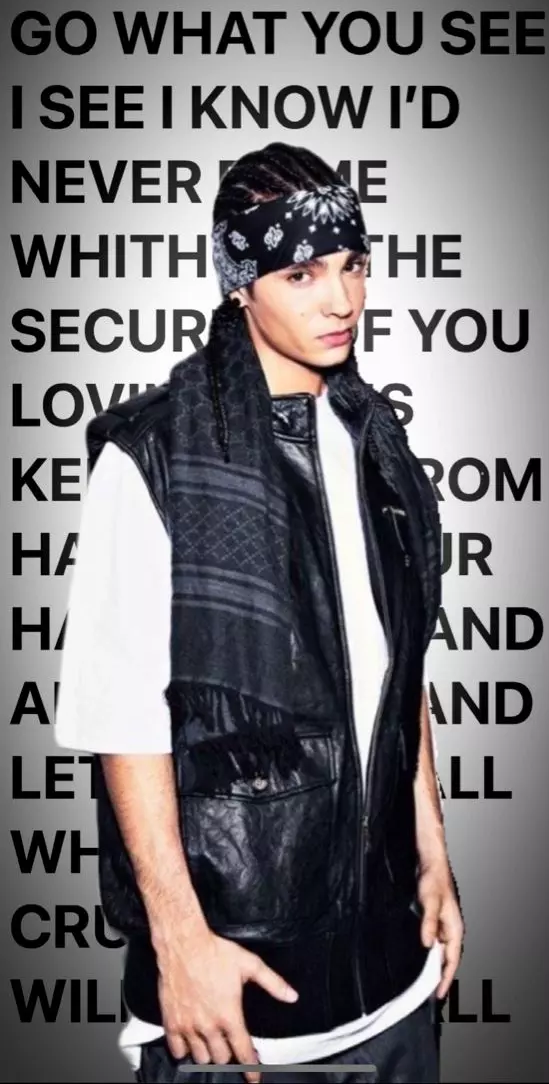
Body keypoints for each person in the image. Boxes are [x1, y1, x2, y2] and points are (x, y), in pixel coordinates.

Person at [55, 142, 464, 1084]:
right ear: (239, 284)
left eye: (352, 265)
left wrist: (433, 855)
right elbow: (123, 721)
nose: (340, 300)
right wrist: (179, 944)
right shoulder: (154, 455)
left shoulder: (375, 442)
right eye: (300, 274)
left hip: (397, 982)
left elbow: (396, 675)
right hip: (237, 1004)